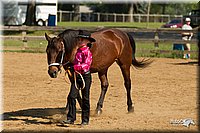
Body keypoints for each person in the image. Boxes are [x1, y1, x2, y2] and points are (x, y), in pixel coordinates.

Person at [63, 30, 95, 126]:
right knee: (72, 96)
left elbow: (86, 65)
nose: (79, 41)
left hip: (85, 76)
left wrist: (75, 67)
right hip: (77, 76)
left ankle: (85, 120)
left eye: (81, 39)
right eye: (79, 39)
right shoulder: (77, 51)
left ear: (87, 41)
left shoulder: (87, 52)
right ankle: (71, 118)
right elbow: (76, 62)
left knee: (85, 98)